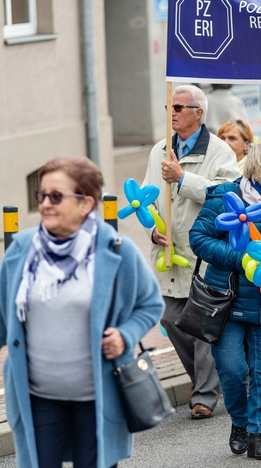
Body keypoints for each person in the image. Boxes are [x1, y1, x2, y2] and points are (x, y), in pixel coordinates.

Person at [0, 157, 164, 467]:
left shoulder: (116, 250)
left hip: (97, 398)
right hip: (38, 398)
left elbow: (149, 304)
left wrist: (125, 336)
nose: (46, 204)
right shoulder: (21, 250)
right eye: (42, 196)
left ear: (86, 203)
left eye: (56, 196)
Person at [189, 139, 261, 460]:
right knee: (232, 370)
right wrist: (241, 260)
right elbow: (198, 238)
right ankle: (239, 422)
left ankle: (258, 433)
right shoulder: (224, 199)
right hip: (225, 302)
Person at [144, 84, 240, 419]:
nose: (172, 112)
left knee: (203, 326)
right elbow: (147, 197)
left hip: (204, 251)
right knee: (171, 320)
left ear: (198, 113)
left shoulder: (219, 151)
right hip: (171, 254)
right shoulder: (160, 149)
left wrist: (184, 178)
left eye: (179, 107)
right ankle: (203, 382)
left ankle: (204, 395)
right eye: (169, 106)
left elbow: (228, 195)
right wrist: (153, 228)